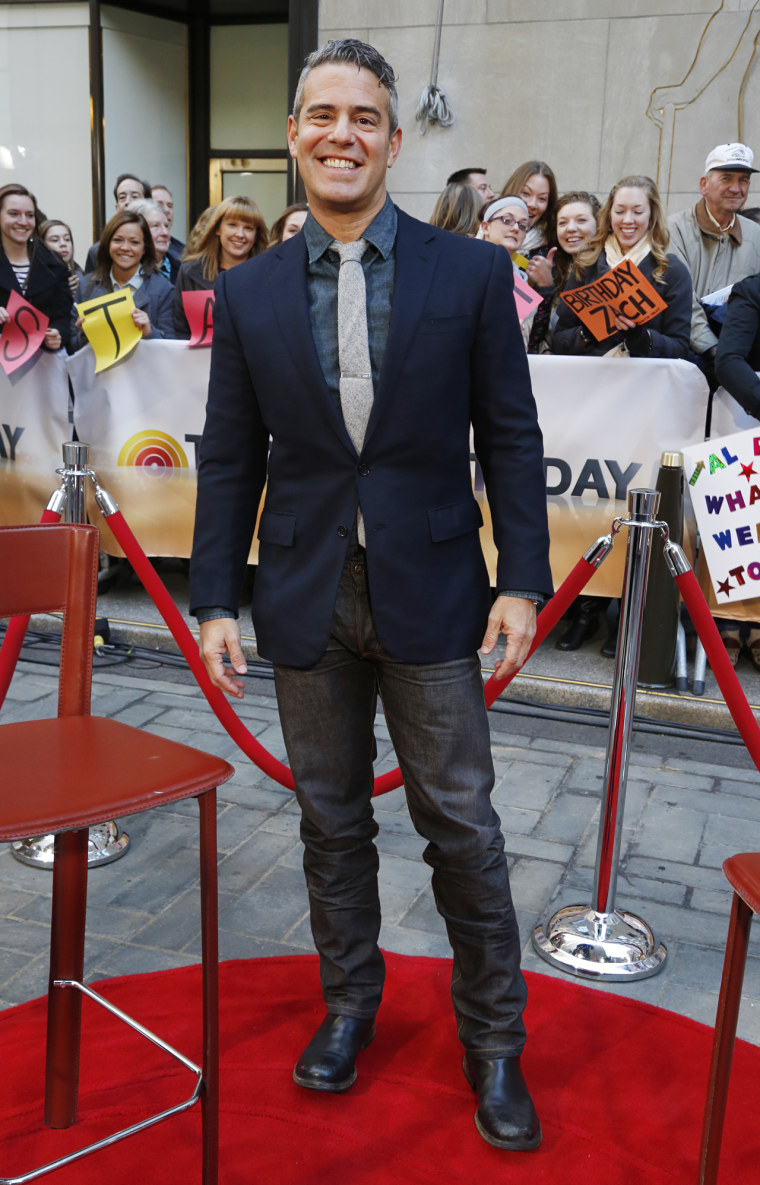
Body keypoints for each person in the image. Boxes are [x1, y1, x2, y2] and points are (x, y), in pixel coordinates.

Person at [189, 37, 551, 1153]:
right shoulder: (243, 292)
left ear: (394, 141)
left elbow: (510, 435)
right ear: (293, 134)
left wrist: (524, 582)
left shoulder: (472, 276)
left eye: (364, 116)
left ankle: (493, 1042)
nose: (340, 133)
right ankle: (348, 1007)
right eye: (319, 114)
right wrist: (215, 600)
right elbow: (230, 458)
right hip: (303, 596)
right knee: (329, 823)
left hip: (436, 590)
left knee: (461, 825)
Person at [552, 174, 692, 360]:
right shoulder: (586, 265)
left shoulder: (671, 270)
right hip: (591, 380)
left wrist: (642, 338)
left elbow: (680, 348)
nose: (627, 220)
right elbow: (558, 340)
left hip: (647, 382)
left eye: (637, 212)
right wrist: (585, 334)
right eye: (619, 211)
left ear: (652, 216)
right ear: (609, 215)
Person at [668, 143, 760, 370]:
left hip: (740, 355)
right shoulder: (673, 228)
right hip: (687, 354)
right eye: (726, 178)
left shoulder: (756, 234)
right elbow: (680, 300)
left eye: (744, 180)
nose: (736, 188)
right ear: (704, 185)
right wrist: (713, 348)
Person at [72, 208, 174, 349]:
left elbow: (172, 346)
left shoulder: (163, 289)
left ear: (144, 248)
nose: (125, 248)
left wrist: (149, 332)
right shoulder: (86, 286)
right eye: (118, 240)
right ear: (108, 244)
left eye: (134, 242)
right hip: (98, 370)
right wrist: (85, 334)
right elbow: (70, 347)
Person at [173, 195, 268, 338]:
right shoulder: (189, 272)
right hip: (199, 359)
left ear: (256, 235)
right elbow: (180, 330)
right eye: (232, 225)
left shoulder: (268, 275)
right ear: (217, 228)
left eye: (248, 228)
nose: (240, 234)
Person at [0, 183, 71, 351]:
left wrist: (57, 334)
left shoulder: (54, 264)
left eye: (29, 215)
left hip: (43, 364)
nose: (23, 222)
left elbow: (63, 318)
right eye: (13, 214)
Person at [477, 195, 533, 346]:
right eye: (507, 220)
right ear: (485, 227)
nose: (516, 228)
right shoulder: (465, 265)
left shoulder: (522, 279)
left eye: (522, 226)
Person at [85, 174, 151, 272]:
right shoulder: (97, 251)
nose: (128, 202)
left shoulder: (164, 245)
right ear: (117, 208)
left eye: (135, 196)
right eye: (122, 197)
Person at [129, 198, 180, 283]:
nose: (164, 233)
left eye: (166, 226)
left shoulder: (183, 268)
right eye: (155, 226)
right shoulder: (124, 270)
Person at [39, 217, 83, 300]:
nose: (63, 244)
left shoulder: (80, 276)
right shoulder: (35, 279)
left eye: (67, 239)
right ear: (42, 245)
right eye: (55, 240)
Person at [150, 183, 185, 253]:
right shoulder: (135, 248)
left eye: (170, 206)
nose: (167, 210)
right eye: (159, 205)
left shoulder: (184, 252)